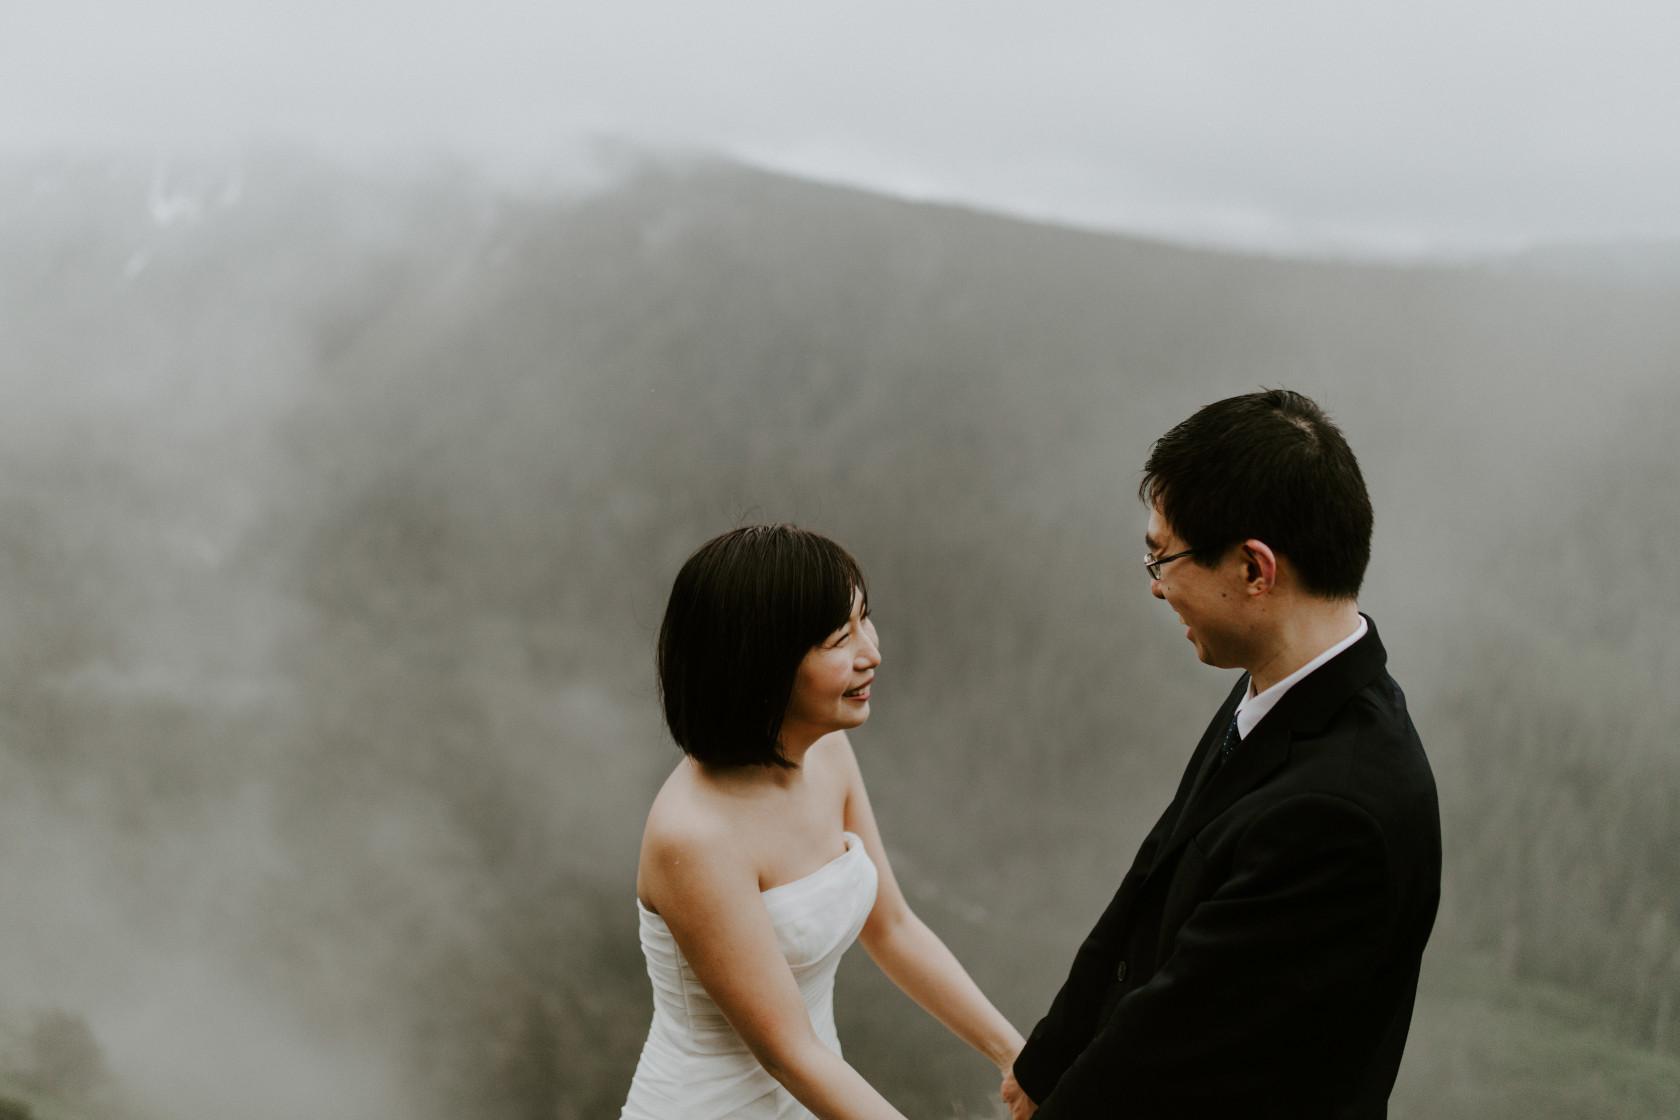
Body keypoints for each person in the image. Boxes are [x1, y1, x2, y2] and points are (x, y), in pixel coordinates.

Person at [1002, 389, 1442, 1119]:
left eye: (1162, 557)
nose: (1156, 586)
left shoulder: (1337, 812)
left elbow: (1185, 1040)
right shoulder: (1284, 685)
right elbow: (1156, 869)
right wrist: (1052, 1053)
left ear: (1253, 569)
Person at [621, 524, 1024, 1120]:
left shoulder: (826, 750)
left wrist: (1018, 1058)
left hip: (823, 1092)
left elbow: (892, 928)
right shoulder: (695, 836)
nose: (873, 652)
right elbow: (789, 1052)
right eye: (841, 638)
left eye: (866, 619)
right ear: (762, 662)